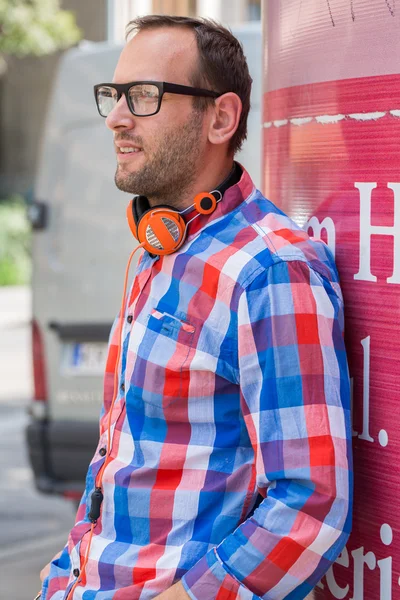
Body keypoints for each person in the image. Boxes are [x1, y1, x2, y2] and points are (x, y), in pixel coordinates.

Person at [38, 15, 353, 600]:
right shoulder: (156, 254)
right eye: (114, 94)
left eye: (145, 95)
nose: (116, 117)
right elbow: (125, 456)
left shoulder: (271, 271)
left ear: (222, 117)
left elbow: (308, 506)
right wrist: (66, 566)